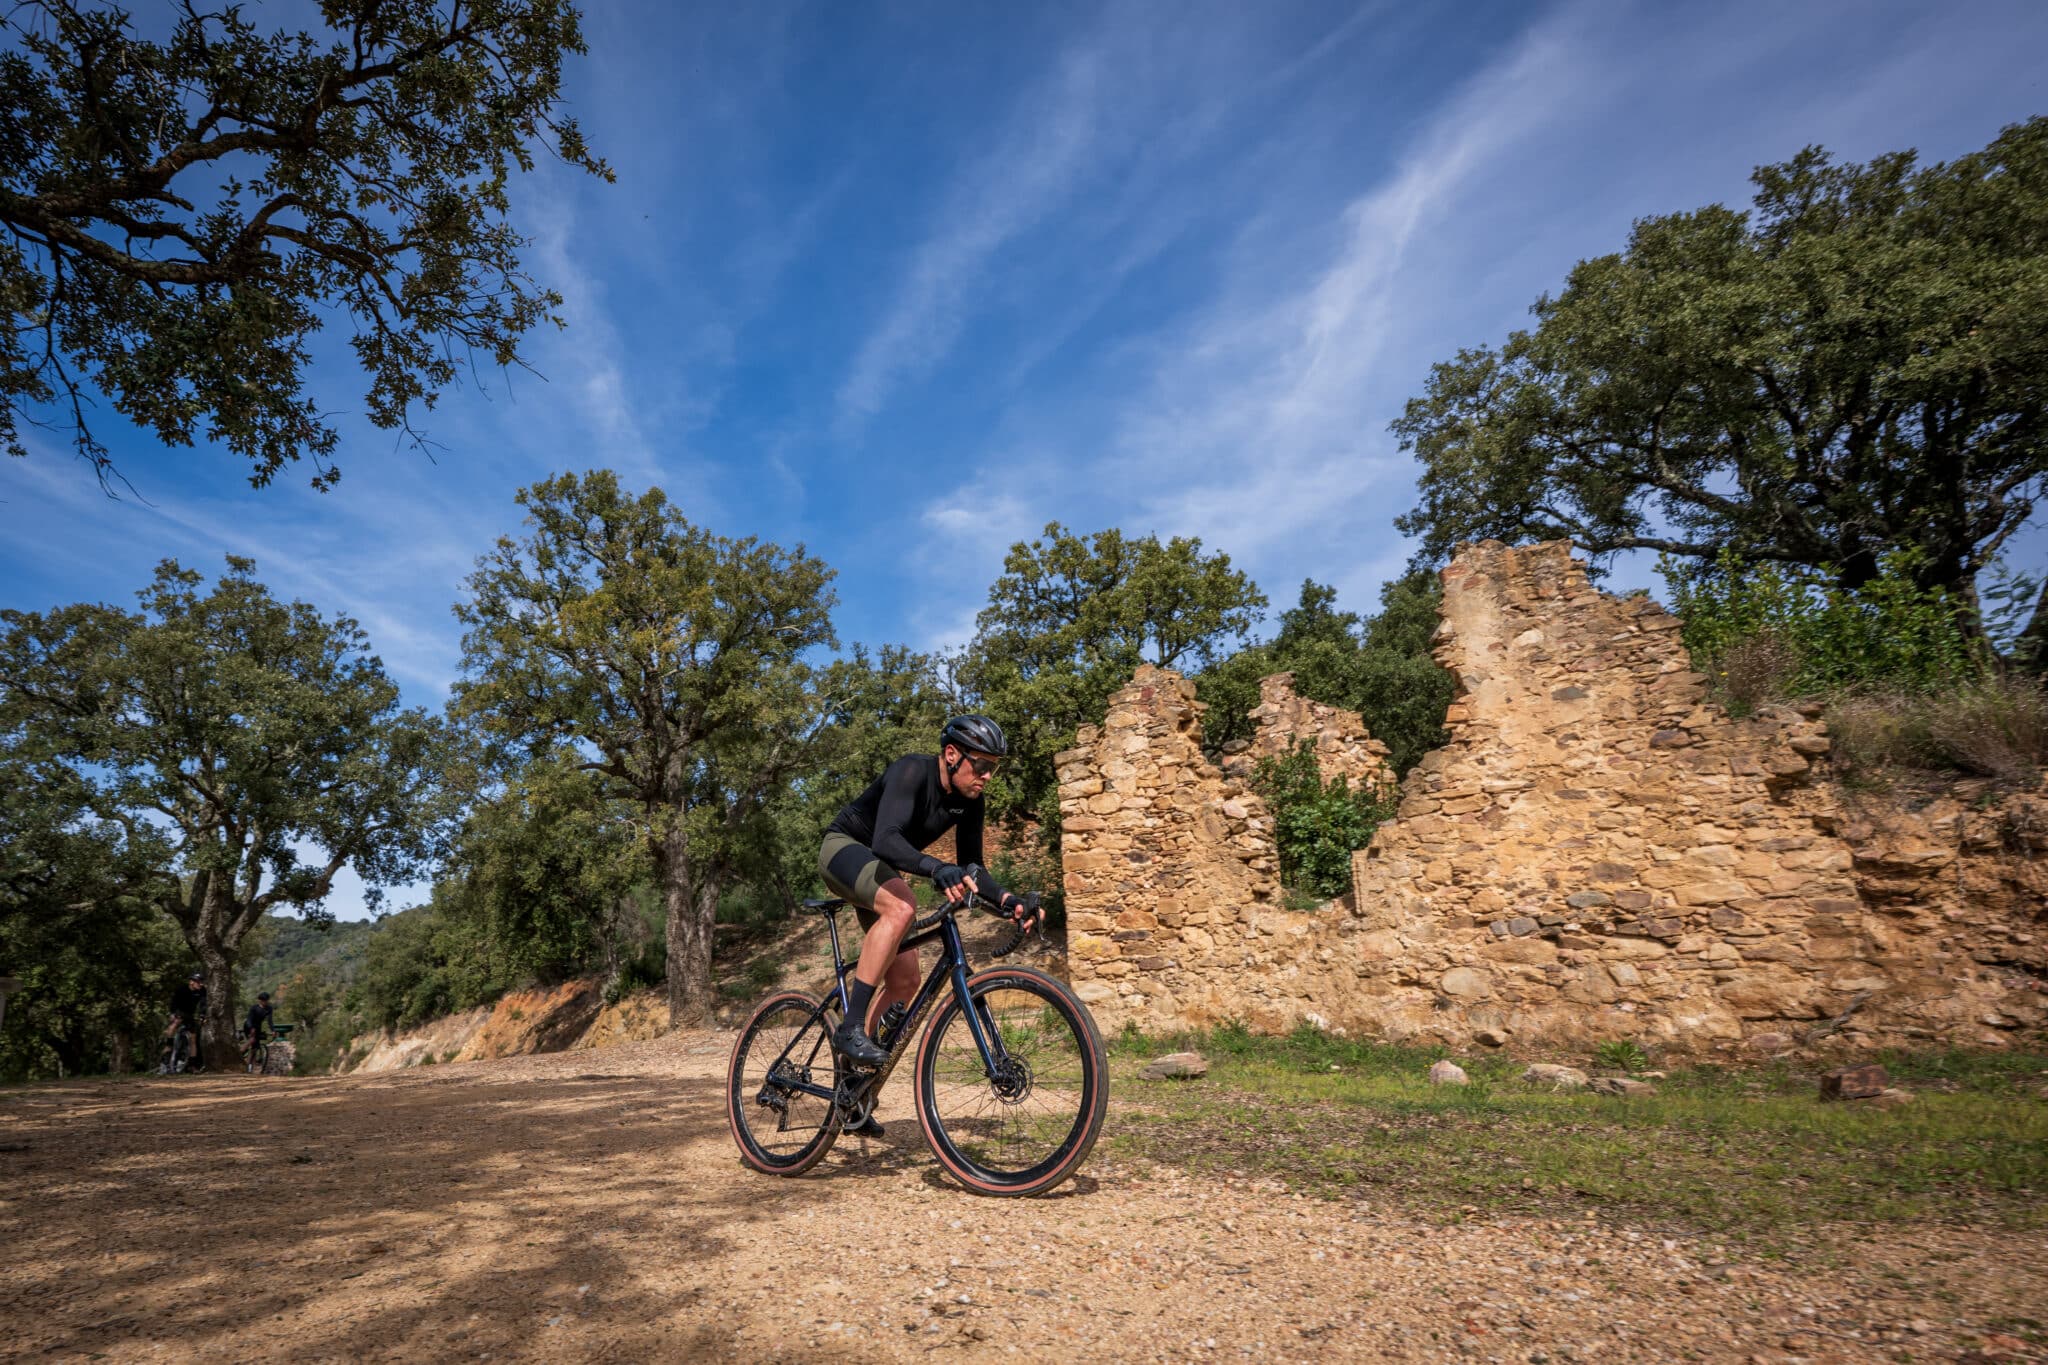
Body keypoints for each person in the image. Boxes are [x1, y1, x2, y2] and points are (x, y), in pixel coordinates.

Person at [818, 715, 1044, 1134]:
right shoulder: (911, 770)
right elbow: (885, 840)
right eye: (981, 765)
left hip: (882, 870)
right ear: (952, 754)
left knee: (905, 983)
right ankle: (850, 1028)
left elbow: (973, 866)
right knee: (902, 906)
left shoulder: (971, 800)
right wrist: (937, 868)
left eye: (994, 767)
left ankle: (850, 1089)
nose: (988, 776)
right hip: (845, 850)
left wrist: (1009, 900)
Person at [163, 970, 207, 1073]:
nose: (201, 984)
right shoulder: (181, 989)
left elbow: (203, 1004)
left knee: (193, 1039)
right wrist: (173, 1014)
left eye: (201, 981)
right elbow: (173, 1002)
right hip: (179, 1011)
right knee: (175, 1023)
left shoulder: (202, 990)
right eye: (198, 981)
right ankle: (169, 1044)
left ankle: (192, 1066)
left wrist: (202, 1016)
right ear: (191, 982)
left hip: (190, 1014)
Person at [241, 991, 274, 1067]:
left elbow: (270, 1021)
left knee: (255, 1048)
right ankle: (240, 1052)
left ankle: (248, 1066)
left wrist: (273, 1030)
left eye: (266, 1000)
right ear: (260, 1000)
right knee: (252, 1040)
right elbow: (249, 1019)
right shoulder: (254, 1008)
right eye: (263, 1000)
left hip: (258, 1027)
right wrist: (251, 1028)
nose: (265, 1002)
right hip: (248, 1025)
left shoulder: (269, 1008)